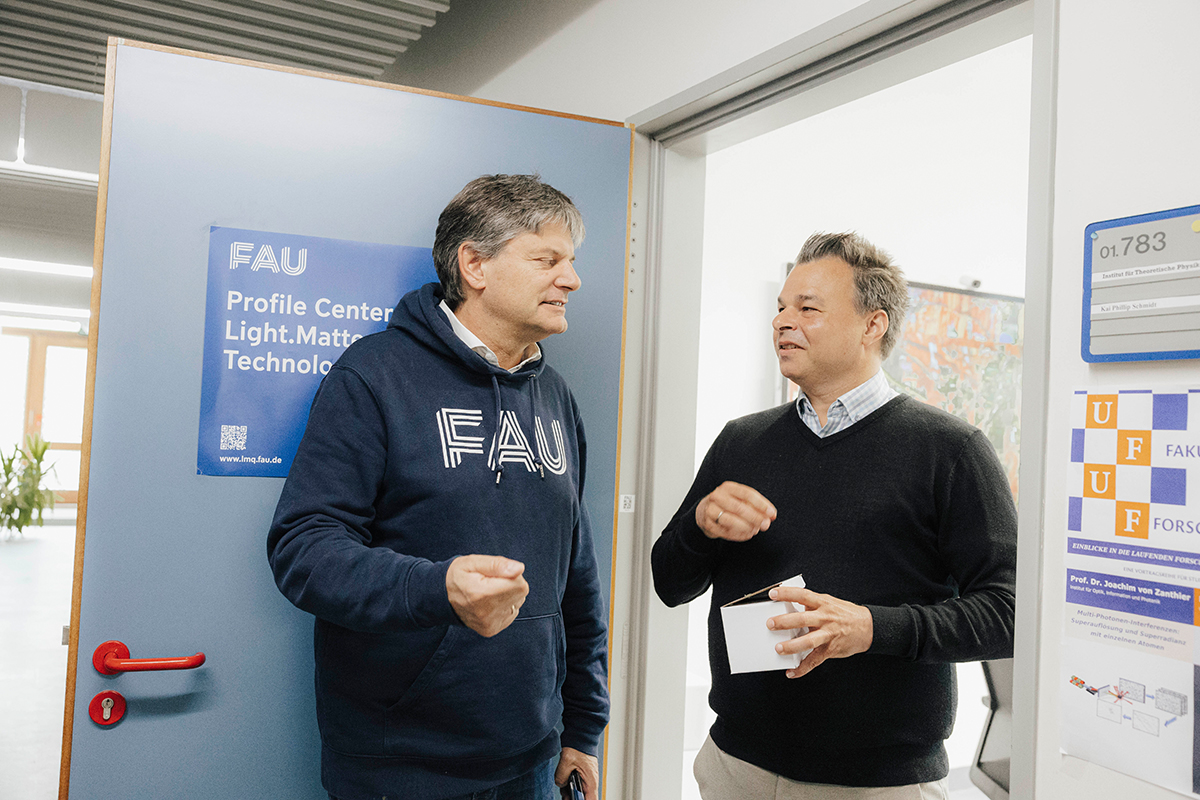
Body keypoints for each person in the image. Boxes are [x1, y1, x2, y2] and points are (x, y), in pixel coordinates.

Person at [268, 174, 608, 800]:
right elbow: (303, 548)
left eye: (572, 262)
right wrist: (436, 588)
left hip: (531, 758)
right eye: (547, 259)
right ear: (474, 264)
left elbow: (575, 575)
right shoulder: (373, 376)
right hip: (399, 767)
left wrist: (584, 728)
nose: (572, 279)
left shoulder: (555, 396)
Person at [651, 232, 1017, 799]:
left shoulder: (951, 449)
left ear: (873, 325)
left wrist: (873, 629)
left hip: (876, 782)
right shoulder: (742, 441)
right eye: (780, 307)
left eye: (807, 308)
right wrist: (699, 527)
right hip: (735, 764)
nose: (782, 321)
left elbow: (1009, 611)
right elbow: (669, 582)